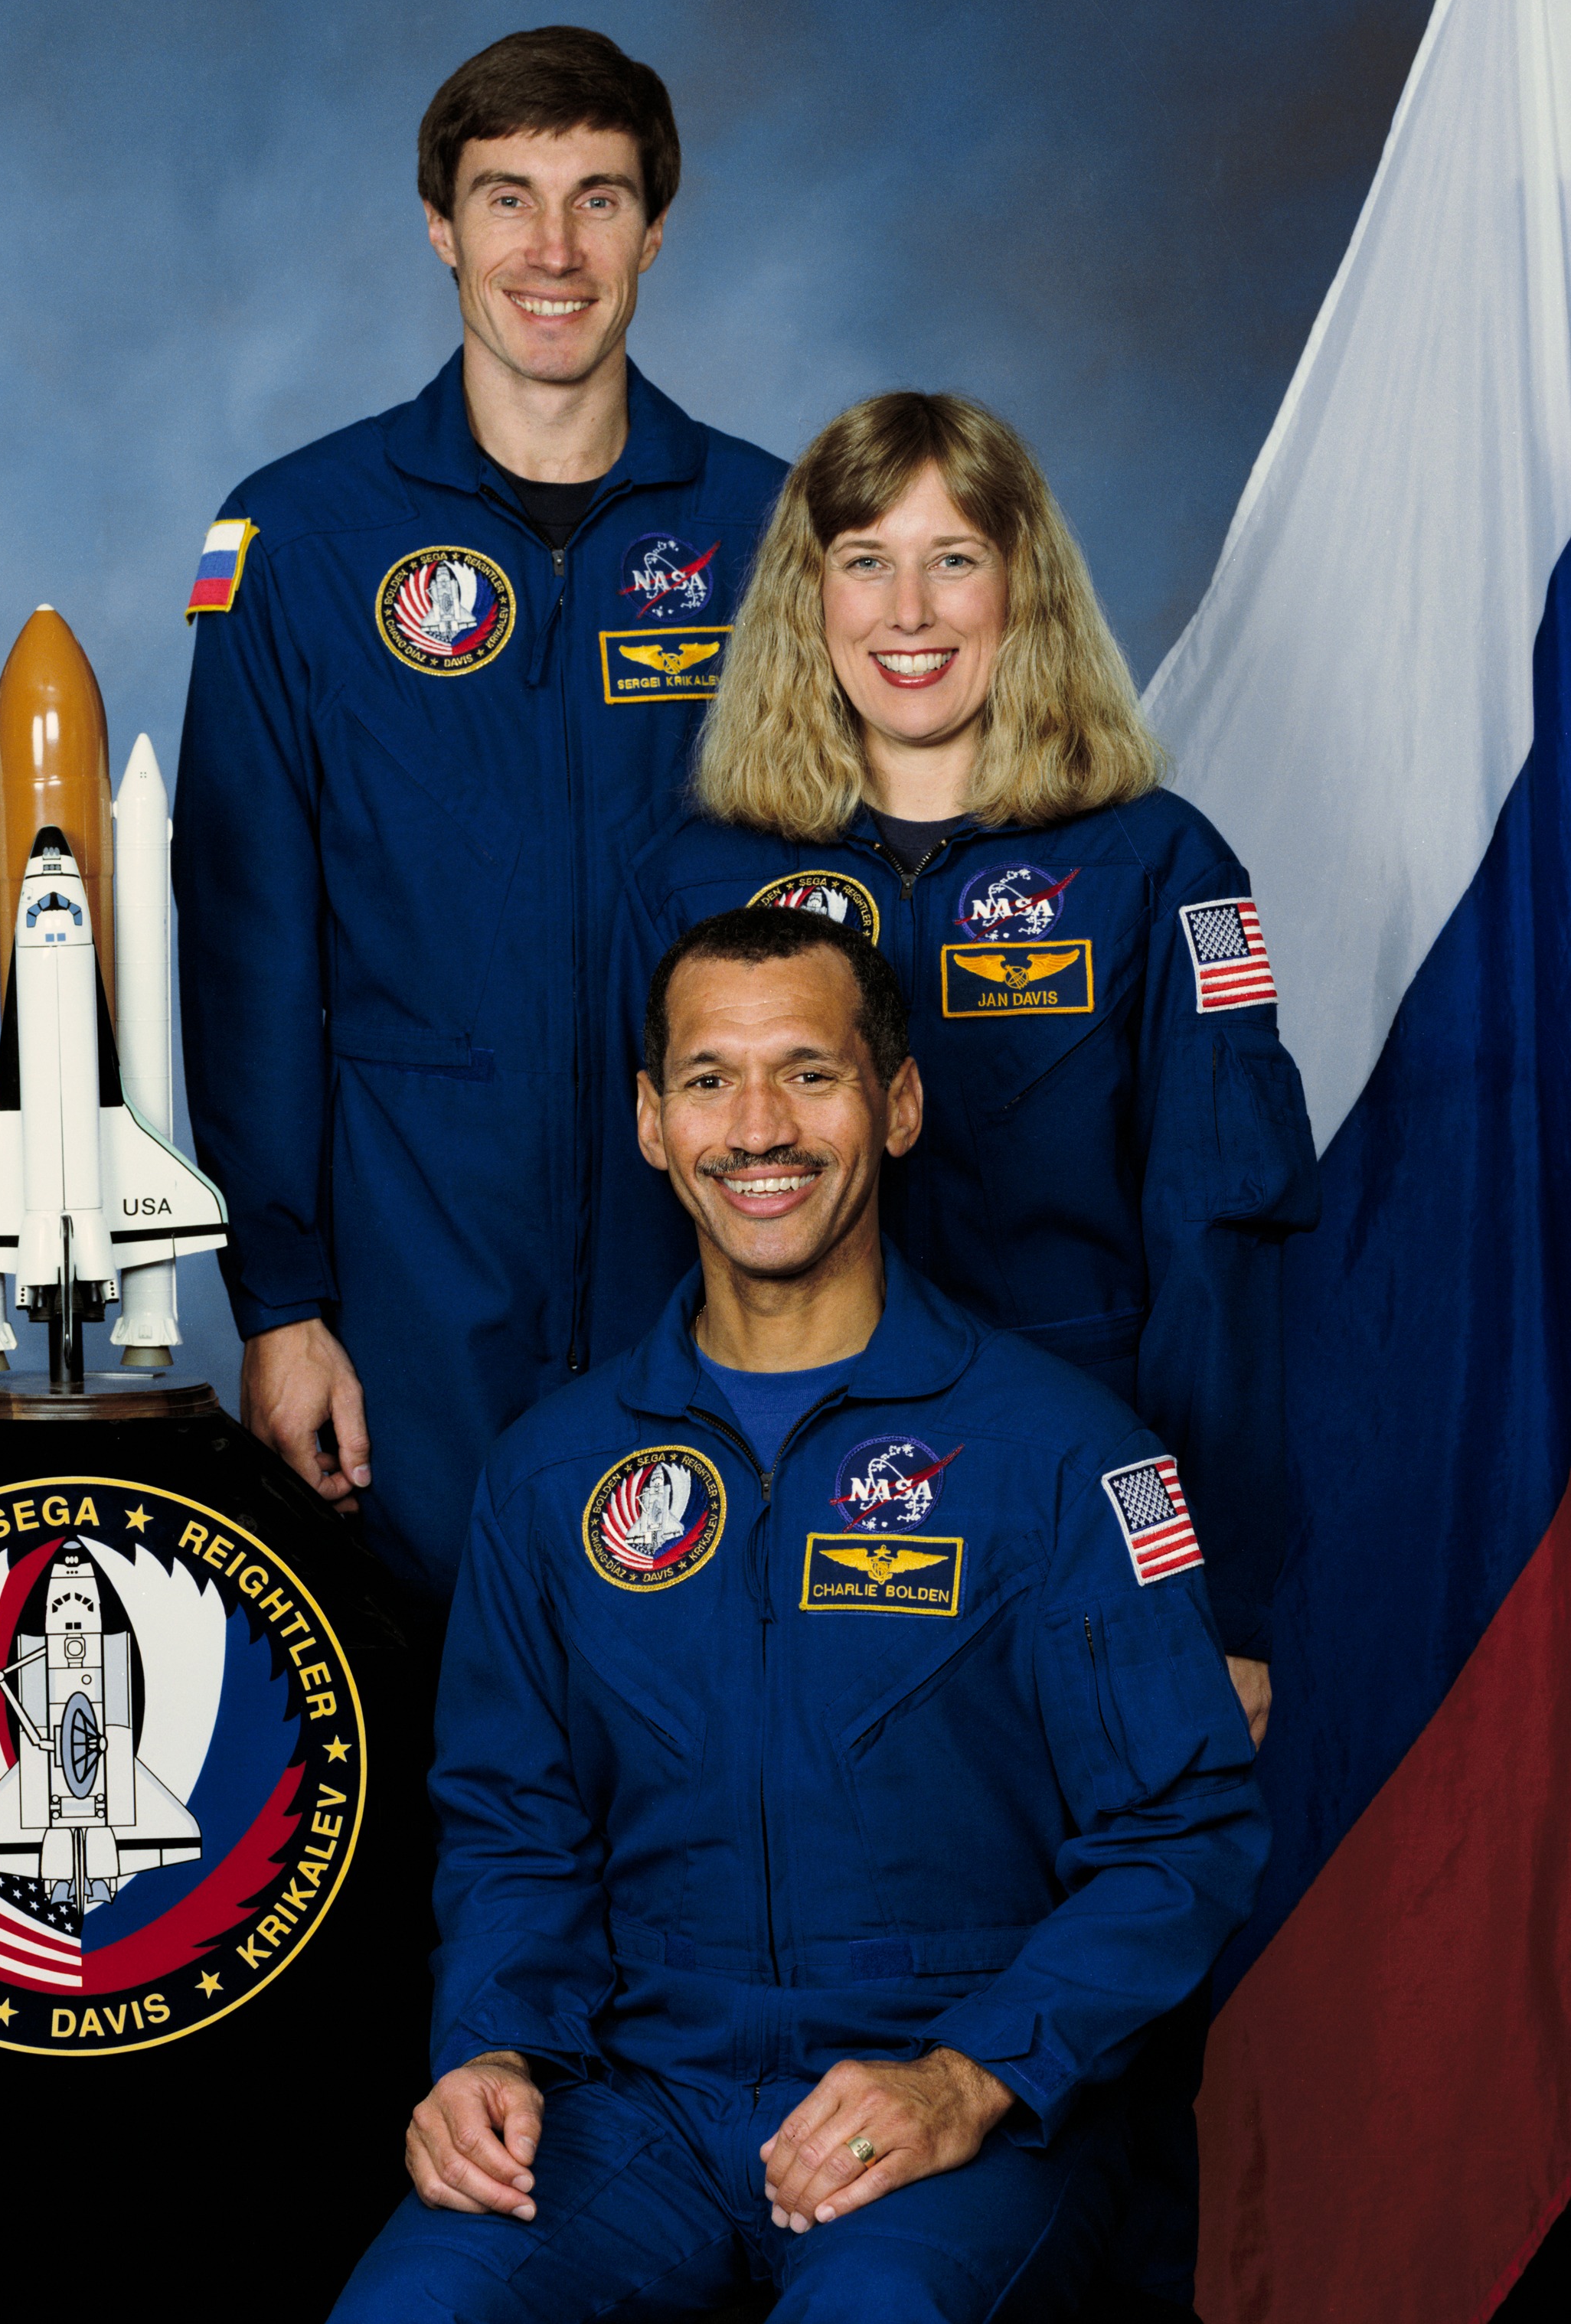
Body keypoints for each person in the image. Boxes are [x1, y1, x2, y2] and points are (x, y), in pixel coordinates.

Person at [597, 394, 1321, 2315]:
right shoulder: (699, 877)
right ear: (804, 596)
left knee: (1103, 2026)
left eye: (952, 559)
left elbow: (1226, 1242)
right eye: (860, 560)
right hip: (795, 1527)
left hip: (1085, 1548)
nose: (906, 610)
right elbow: (637, 1238)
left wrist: (1220, 1594)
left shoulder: (1158, 866)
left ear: (1022, 591)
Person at [330, 906, 1265, 2320]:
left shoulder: (1069, 1456)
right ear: (652, 1122)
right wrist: (493, 2054)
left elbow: (1182, 1831)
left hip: (959, 2099)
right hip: (641, 2103)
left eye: (810, 1074)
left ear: (896, 1105)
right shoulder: (553, 1470)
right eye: (710, 1079)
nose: (756, 1127)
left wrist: (974, 2077)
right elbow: (515, 1823)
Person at [174, 25, 787, 1597]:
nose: (553, 248)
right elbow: (245, 948)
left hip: (720, 1226)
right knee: (441, 1728)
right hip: (408, 1260)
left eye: (596, 197)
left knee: (706, 1713)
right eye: (506, 198)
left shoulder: (775, 531)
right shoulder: (297, 537)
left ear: (654, 227)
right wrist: (278, 1298)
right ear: (440, 229)